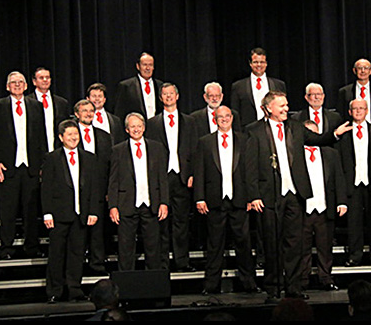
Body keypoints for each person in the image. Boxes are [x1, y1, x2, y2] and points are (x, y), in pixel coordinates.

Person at [245, 91, 352, 303]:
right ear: (268, 108)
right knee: (272, 243)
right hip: (269, 196)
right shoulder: (254, 130)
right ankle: (273, 289)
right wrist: (254, 195)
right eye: (281, 106)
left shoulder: (295, 126)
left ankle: (293, 287)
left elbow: (318, 139)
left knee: (295, 244)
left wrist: (335, 134)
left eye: (286, 105)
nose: (286, 108)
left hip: (295, 194)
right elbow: (249, 166)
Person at [193, 106, 259, 294]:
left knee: (244, 244)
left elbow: (250, 171)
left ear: (232, 118)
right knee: (214, 245)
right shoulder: (205, 142)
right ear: (215, 119)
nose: (224, 119)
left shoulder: (244, 140)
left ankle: (249, 283)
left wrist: (251, 196)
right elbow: (199, 172)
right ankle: (211, 285)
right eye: (220, 116)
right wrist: (200, 198)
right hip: (215, 201)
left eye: (227, 116)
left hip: (239, 200)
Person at [0, 71, 47, 259]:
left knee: (31, 210)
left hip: (31, 168)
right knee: (8, 210)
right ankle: (7, 248)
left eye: (21, 82)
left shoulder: (36, 106)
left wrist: (43, 164)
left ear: (27, 86)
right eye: (13, 82)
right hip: (7, 168)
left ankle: (32, 247)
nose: (17, 85)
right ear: (7, 86)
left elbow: (41, 138)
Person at [41, 119, 100, 303]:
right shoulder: (52, 158)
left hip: (81, 215)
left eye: (76, 134)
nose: (74, 138)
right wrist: (47, 213)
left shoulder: (89, 158)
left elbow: (94, 188)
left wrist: (93, 211)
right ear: (61, 137)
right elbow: (46, 189)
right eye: (70, 135)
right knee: (57, 254)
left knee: (77, 254)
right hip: (59, 215)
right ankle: (55, 291)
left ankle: (74, 288)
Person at [145, 82, 198, 272]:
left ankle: (182, 261)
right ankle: (162, 263)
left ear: (177, 96)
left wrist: (192, 173)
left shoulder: (190, 121)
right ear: (160, 98)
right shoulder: (152, 123)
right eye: (164, 94)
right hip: (162, 178)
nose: (168, 97)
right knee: (161, 221)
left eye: (171, 94)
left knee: (181, 221)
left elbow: (194, 149)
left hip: (182, 177)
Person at [108, 112, 169, 270]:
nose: (136, 129)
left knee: (153, 247)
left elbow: (162, 178)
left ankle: (153, 282)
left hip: (152, 205)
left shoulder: (156, 148)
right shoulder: (118, 150)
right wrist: (113, 206)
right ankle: (126, 285)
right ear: (127, 130)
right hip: (126, 205)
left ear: (144, 127)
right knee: (126, 247)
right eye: (132, 126)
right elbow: (113, 180)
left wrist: (164, 202)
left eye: (139, 126)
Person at [336, 99, 371, 266]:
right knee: (354, 222)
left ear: (367, 111)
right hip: (351, 184)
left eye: (361, 108)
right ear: (350, 112)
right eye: (354, 109)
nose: (358, 111)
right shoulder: (342, 132)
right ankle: (354, 255)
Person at [300, 120, 347, 291]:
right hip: (303, 209)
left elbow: (339, 178)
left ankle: (326, 278)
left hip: (324, 207)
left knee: (325, 247)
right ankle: (302, 280)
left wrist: (341, 201)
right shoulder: (295, 153)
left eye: (314, 133)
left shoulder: (331, 153)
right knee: (302, 247)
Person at [74, 99, 113, 274]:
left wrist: (107, 190)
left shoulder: (104, 136)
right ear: (77, 114)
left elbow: (110, 165)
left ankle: (97, 263)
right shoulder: (71, 135)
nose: (89, 114)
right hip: (76, 189)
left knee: (98, 229)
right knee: (78, 228)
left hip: (99, 189)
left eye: (91, 111)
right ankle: (77, 263)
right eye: (84, 111)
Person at [230, 47, 286, 127]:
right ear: (250, 63)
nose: (259, 65)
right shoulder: (238, 86)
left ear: (266, 63)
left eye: (262, 62)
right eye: (255, 62)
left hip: (273, 129)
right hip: (248, 132)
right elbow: (235, 113)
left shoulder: (279, 85)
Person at [336, 58, 371, 124]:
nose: (363, 71)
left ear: (370, 71)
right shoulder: (344, 91)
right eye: (360, 68)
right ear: (354, 70)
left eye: (366, 68)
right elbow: (341, 114)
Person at [113, 52, 164, 122]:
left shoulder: (160, 86)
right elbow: (119, 113)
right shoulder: (126, 86)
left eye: (150, 65)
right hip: (136, 130)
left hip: (156, 129)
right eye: (144, 65)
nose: (147, 68)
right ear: (138, 66)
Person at [31, 67, 71, 152]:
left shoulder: (62, 103)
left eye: (47, 77)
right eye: (41, 78)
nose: (45, 80)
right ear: (34, 81)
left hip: (57, 151)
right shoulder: (27, 102)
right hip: (34, 151)